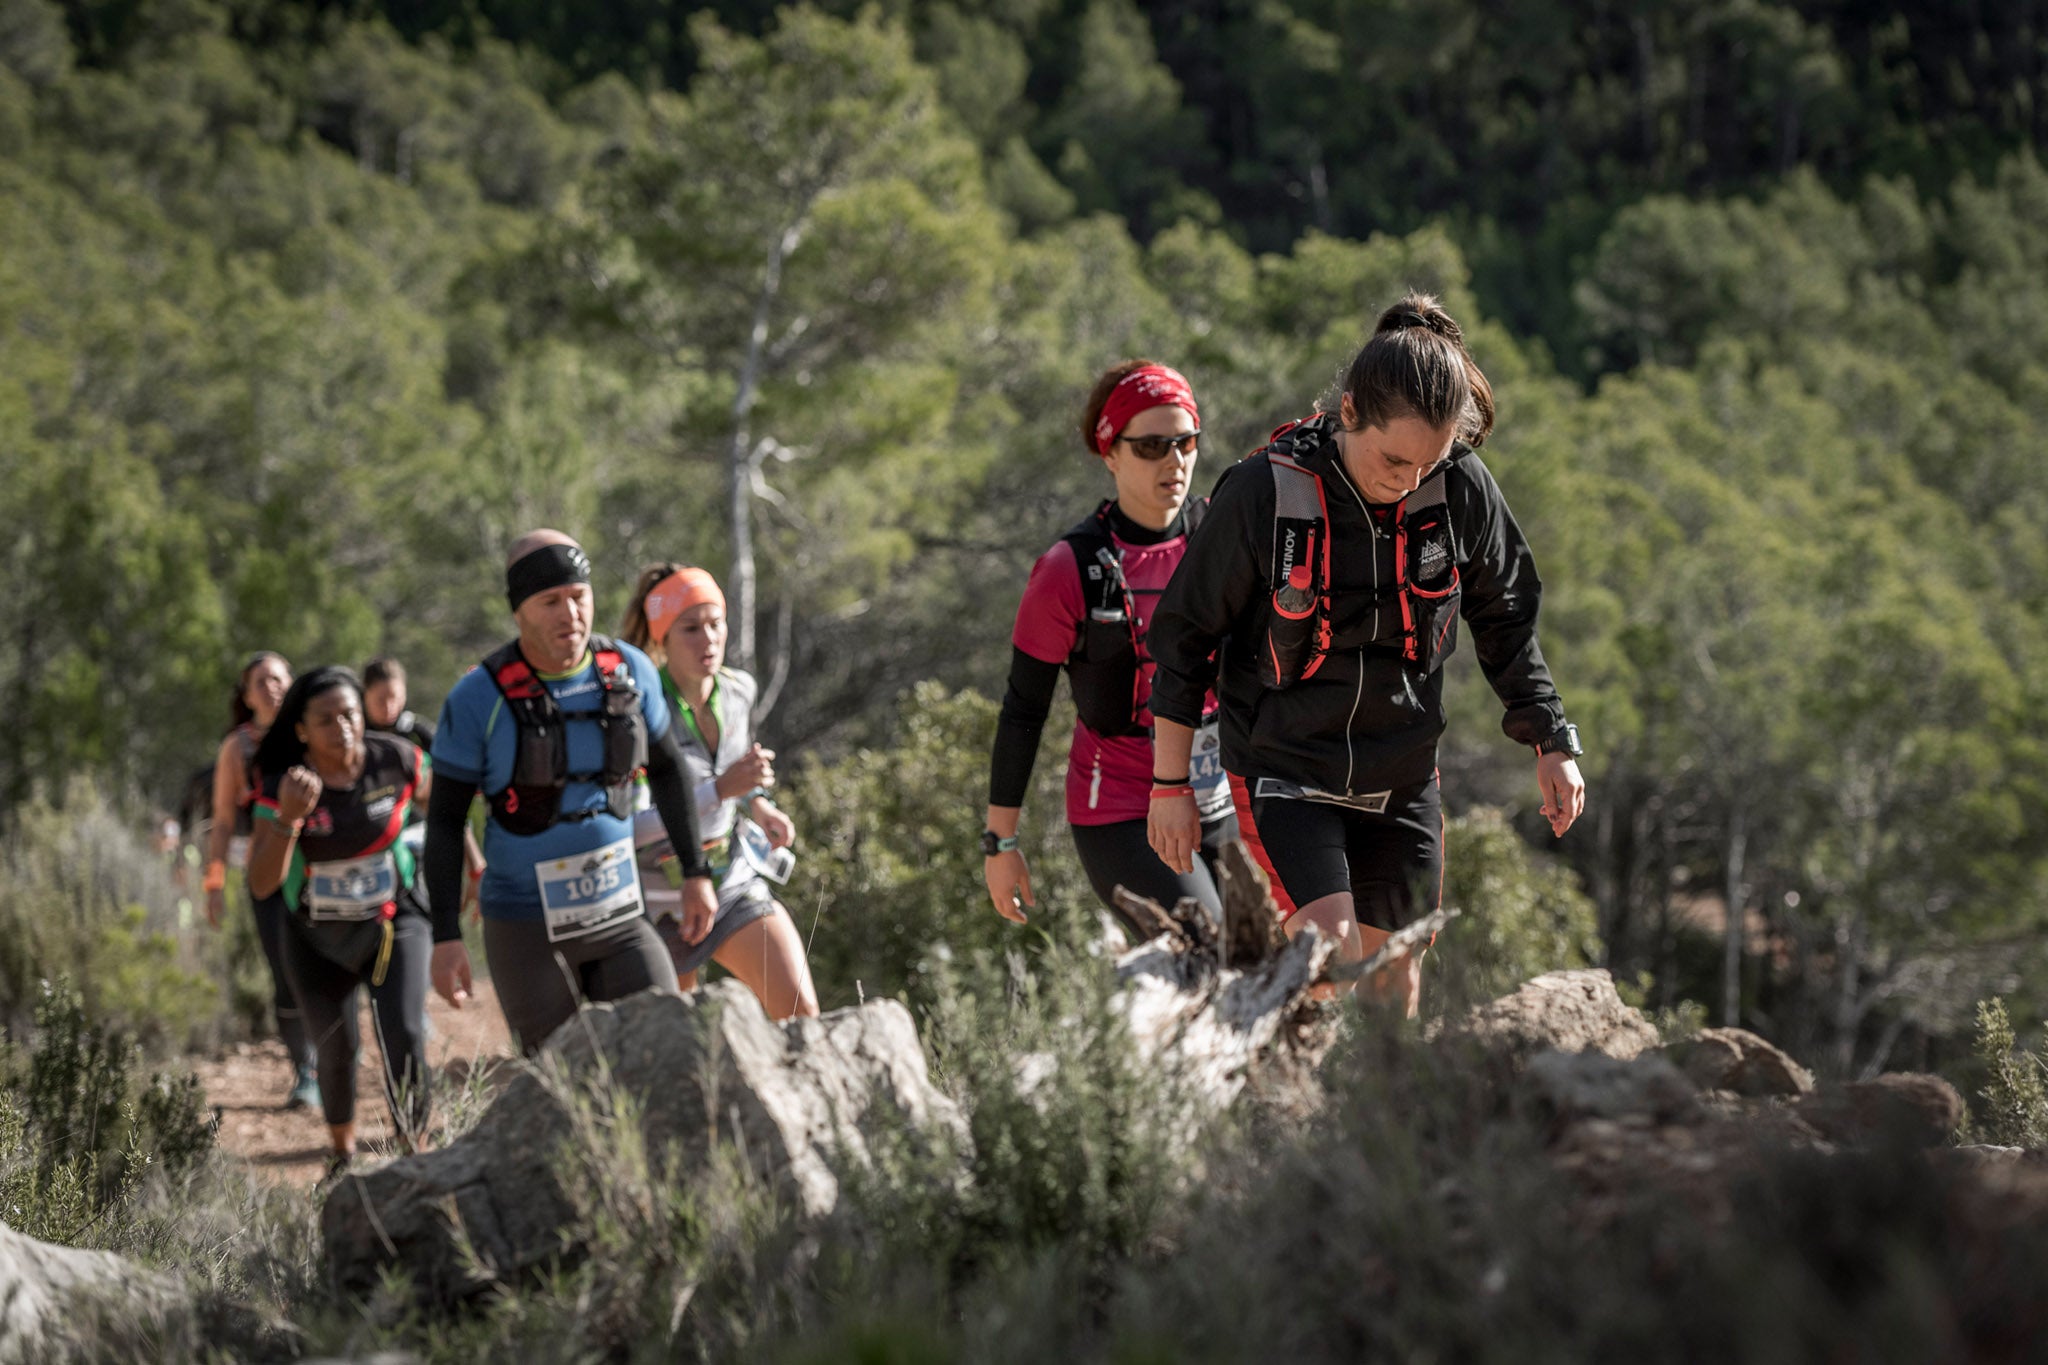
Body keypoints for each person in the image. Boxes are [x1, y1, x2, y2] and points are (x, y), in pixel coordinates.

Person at [1146, 295, 1587, 1015]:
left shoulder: (1462, 488)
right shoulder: (1263, 491)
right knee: (1329, 961)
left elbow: (1506, 619)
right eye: (1394, 458)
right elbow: (1185, 640)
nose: (1410, 479)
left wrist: (1551, 737)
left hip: (1402, 777)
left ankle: (1374, 1127)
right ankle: (1290, 1122)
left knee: (1392, 988)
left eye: (1431, 461)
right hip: (1285, 771)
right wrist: (1170, 786)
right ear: (1349, 411)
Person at [421, 530, 719, 1055]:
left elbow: (669, 769)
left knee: (667, 1050)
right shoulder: (478, 698)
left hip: (621, 917)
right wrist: (445, 936)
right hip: (526, 929)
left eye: (579, 596)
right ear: (520, 612)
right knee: (559, 1083)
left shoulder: (629, 669)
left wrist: (696, 872)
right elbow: (445, 821)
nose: (570, 614)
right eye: (550, 602)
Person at [983, 360, 1238, 940]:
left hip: (1222, 795)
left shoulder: (1220, 537)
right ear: (1111, 453)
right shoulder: (1068, 569)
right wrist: (1001, 843)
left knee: (1278, 963)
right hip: (1123, 810)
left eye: (1186, 441)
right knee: (1208, 954)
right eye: (1151, 446)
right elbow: (1024, 707)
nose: (1174, 461)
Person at [246, 667, 433, 1178]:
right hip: (316, 936)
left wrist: (474, 864)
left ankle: (414, 1150)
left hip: (393, 922)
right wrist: (289, 819)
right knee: (336, 1047)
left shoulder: (395, 758)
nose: (342, 728)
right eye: (325, 720)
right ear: (302, 730)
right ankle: (341, 1152)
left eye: (349, 714)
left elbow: (442, 809)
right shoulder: (284, 784)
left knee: (406, 1030)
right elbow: (263, 883)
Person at [620, 564, 818, 1020]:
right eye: (690, 628)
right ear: (661, 639)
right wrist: (720, 790)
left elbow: (731, 773)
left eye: (715, 624)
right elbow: (628, 830)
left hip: (730, 886)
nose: (708, 639)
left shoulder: (738, 690)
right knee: (673, 1044)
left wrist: (759, 804)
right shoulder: (637, 713)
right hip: (654, 907)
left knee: (801, 1013)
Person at [203, 651, 320, 1109]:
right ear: (247, 695)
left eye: (278, 678)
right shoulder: (239, 747)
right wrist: (214, 883)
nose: (271, 687)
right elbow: (224, 819)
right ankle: (305, 1070)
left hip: (324, 870)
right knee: (285, 972)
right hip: (268, 877)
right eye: (260, 682)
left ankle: (338, 1054)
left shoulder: (313, 728)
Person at [362, 656, 435, 751]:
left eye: (394, 699)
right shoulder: (353, 735)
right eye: (380, 700)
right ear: (365, 695)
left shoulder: (417, 734)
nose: (388, 708)